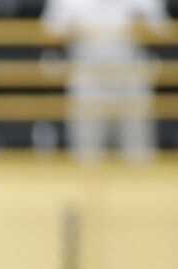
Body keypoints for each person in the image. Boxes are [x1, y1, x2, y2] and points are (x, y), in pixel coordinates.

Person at [43, 0, 168, 164]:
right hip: (88, 84)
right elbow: (48, 35)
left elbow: (164, 33)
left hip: (132, 84)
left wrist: (142, 27)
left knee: (138, 156)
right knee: (87, 157)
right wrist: (74, 33)